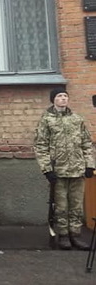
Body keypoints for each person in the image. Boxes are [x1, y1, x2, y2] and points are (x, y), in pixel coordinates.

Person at [34, 88, 95, 251]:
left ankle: (75, 235)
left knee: (76, 205)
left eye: (65, 96)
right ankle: (63, 235)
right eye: (59, 96)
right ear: (53, 99)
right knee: (61, 206)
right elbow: (40, 146)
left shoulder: (77, 119)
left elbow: (86, 143)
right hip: (58, 170)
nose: (63, 98)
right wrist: (47, 169)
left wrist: (89, 164)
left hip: (77, 169)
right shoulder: (46, 120)